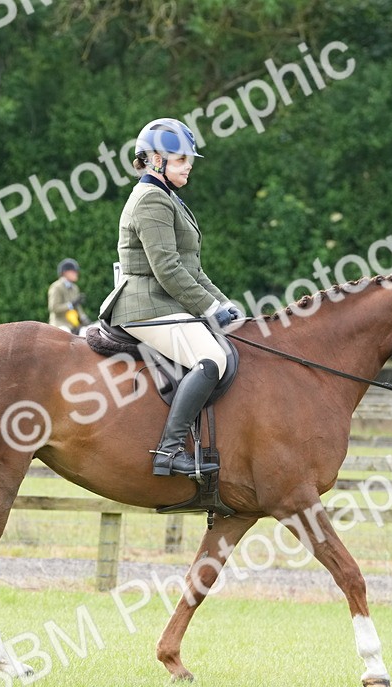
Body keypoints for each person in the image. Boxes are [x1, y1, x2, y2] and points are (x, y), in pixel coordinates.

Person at [98, 118, 242, 478]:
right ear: (155, 160)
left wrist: (223, 304)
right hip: (144, 305)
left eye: (189, 159)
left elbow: (192, 269)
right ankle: (169, 450)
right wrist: (208, 309)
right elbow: (168, 270)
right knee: (211, 359)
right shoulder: (151, 200)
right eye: (181, 160)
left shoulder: (168, 198)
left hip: (164, 302)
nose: (189, 165)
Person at [48, 258, 87, 334]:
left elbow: (78, 307)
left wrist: (84, 318)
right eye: (74, 271)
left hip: (74, 324)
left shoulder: (75, 288)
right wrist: (70, 305)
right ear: (65, 273)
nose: (76, 273)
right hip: (60, 324)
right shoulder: (56, 287)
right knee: (65, 332)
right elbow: (54, 308)